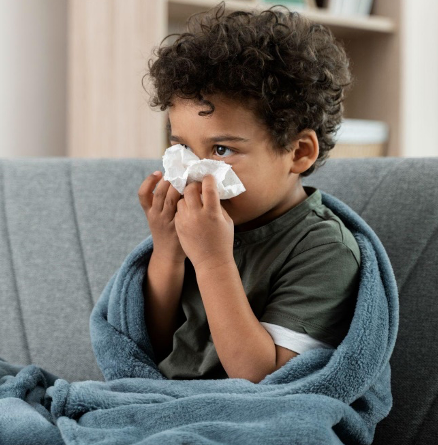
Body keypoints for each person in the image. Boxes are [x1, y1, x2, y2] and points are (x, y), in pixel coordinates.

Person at [138, 3, 359, 383]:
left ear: (299, 152)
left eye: (222, 150)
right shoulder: (201, 223)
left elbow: (264, 378)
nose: (195, 173)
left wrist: (212, 262)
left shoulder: (323, 248)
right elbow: (153, 347)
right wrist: (167, 250)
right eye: (185, 150)